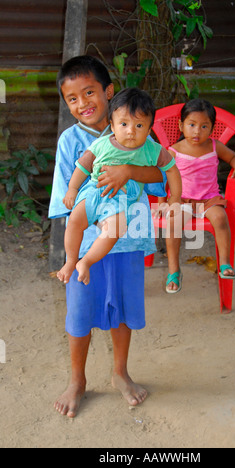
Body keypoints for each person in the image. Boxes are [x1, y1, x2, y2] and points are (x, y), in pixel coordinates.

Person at [48, 55, 169, 417]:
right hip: (88, 243)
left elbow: (162, 176)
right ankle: (77, 380)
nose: (83, 103)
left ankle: (119, 373)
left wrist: (128, 170)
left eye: (90, 93)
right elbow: (65, 197)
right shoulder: (70, 141)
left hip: (128, 236)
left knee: (122, 309)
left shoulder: (139, 128)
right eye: (72, 98)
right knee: (80, 312)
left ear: (109, 91)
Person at [57, 87, 181, 286]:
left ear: (149, 130)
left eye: (139, 125)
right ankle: (71, 261)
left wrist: (175, 197)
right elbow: (82, 166)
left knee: (115, 230)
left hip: (121, 199)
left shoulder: (152, 150)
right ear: (113, 125)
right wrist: (72, 189)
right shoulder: (101, 144)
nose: (131, 131)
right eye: (124, 123)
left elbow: (172, 170)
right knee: (74, 221)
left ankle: (86, 261)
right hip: (94, 191)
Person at [161, 98, 235, 293]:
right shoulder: (174, 151)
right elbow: (161, 177)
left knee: (220, 218)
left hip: (209, 199)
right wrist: (163, 202)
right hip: (183, 200)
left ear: (212, 128)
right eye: (191, 125)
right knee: (173, 224)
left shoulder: (215, 146)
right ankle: (174, 270)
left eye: (204, 126)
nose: (197, 131)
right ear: (181, 126)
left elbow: (233, 157)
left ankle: (224, 263)